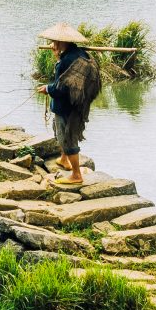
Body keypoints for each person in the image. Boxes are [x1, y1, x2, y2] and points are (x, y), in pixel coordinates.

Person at [37, 24, 106, 187]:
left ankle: (76, 174)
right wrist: (57, 58)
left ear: (61, 42)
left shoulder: (67, 60)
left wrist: (47, 89)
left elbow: (61, 87)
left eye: (54, 41)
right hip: (75, 104)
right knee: (61, 131)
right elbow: (66, 77)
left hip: (66, 106)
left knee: (67, 137)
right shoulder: (78, 54)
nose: (52, 44)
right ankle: (63, 160)